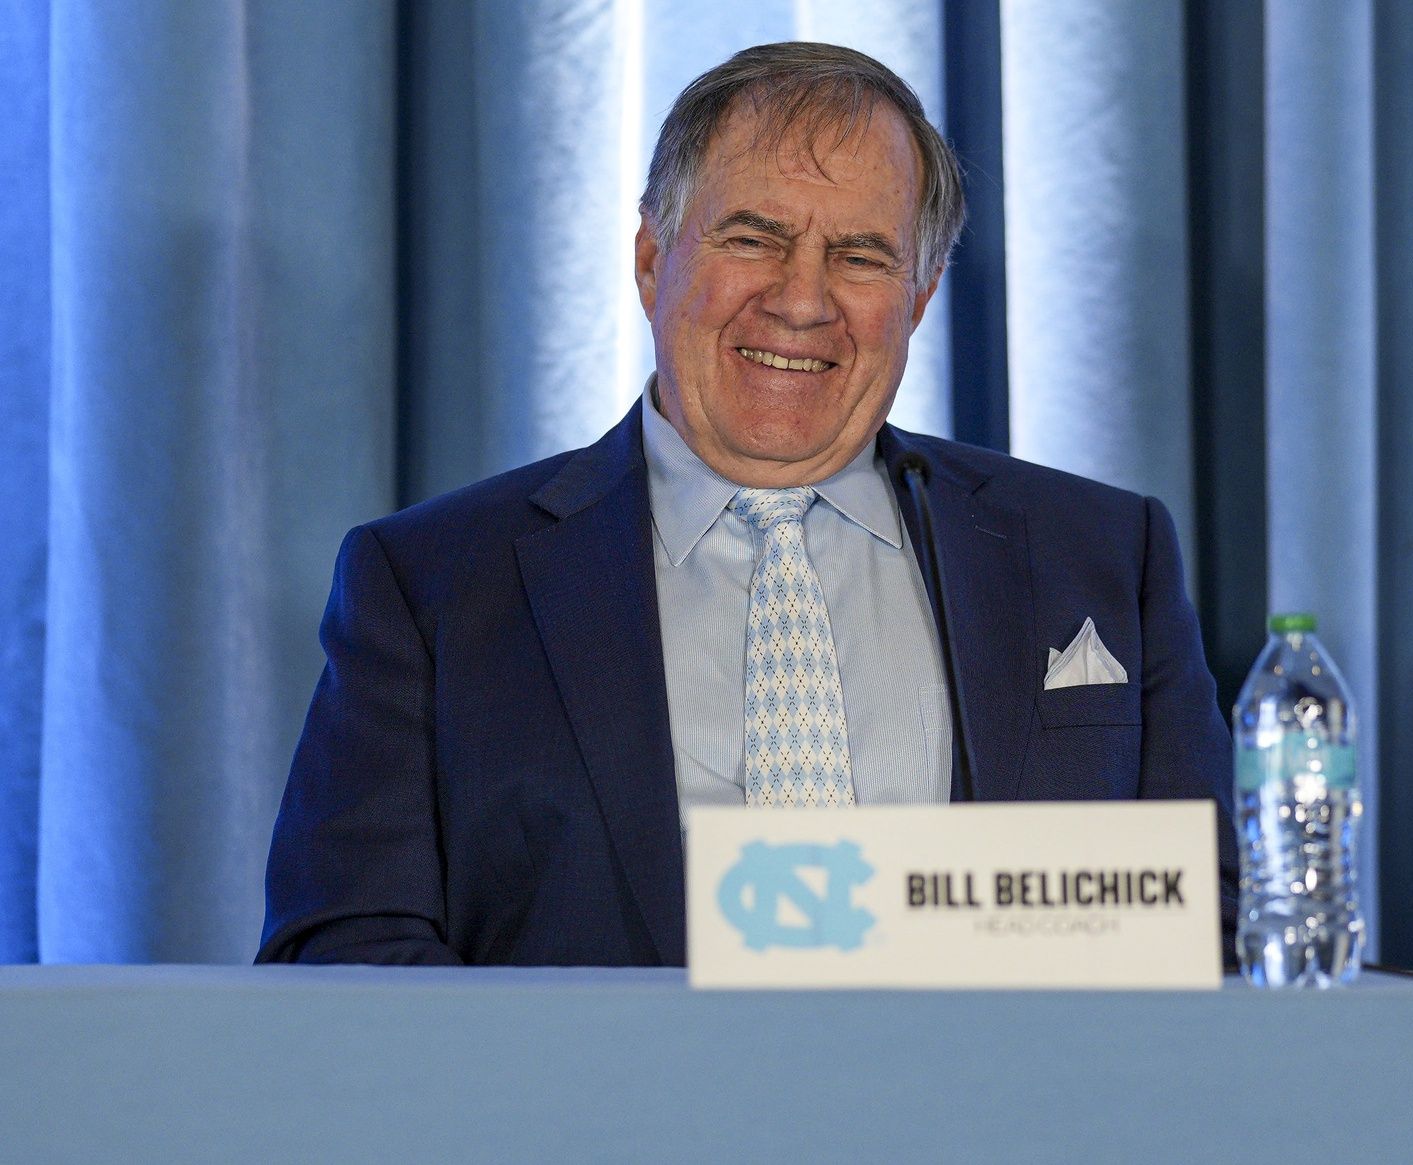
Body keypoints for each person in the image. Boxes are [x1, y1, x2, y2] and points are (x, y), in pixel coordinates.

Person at [258, 42, 1237, 966]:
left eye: (860, 257)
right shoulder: (429, 585)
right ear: (650, 261)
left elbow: (1218, 940)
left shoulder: (1103, 555)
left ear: (922, 295)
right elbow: (346, 964)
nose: (800, 300)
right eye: (751, 238)